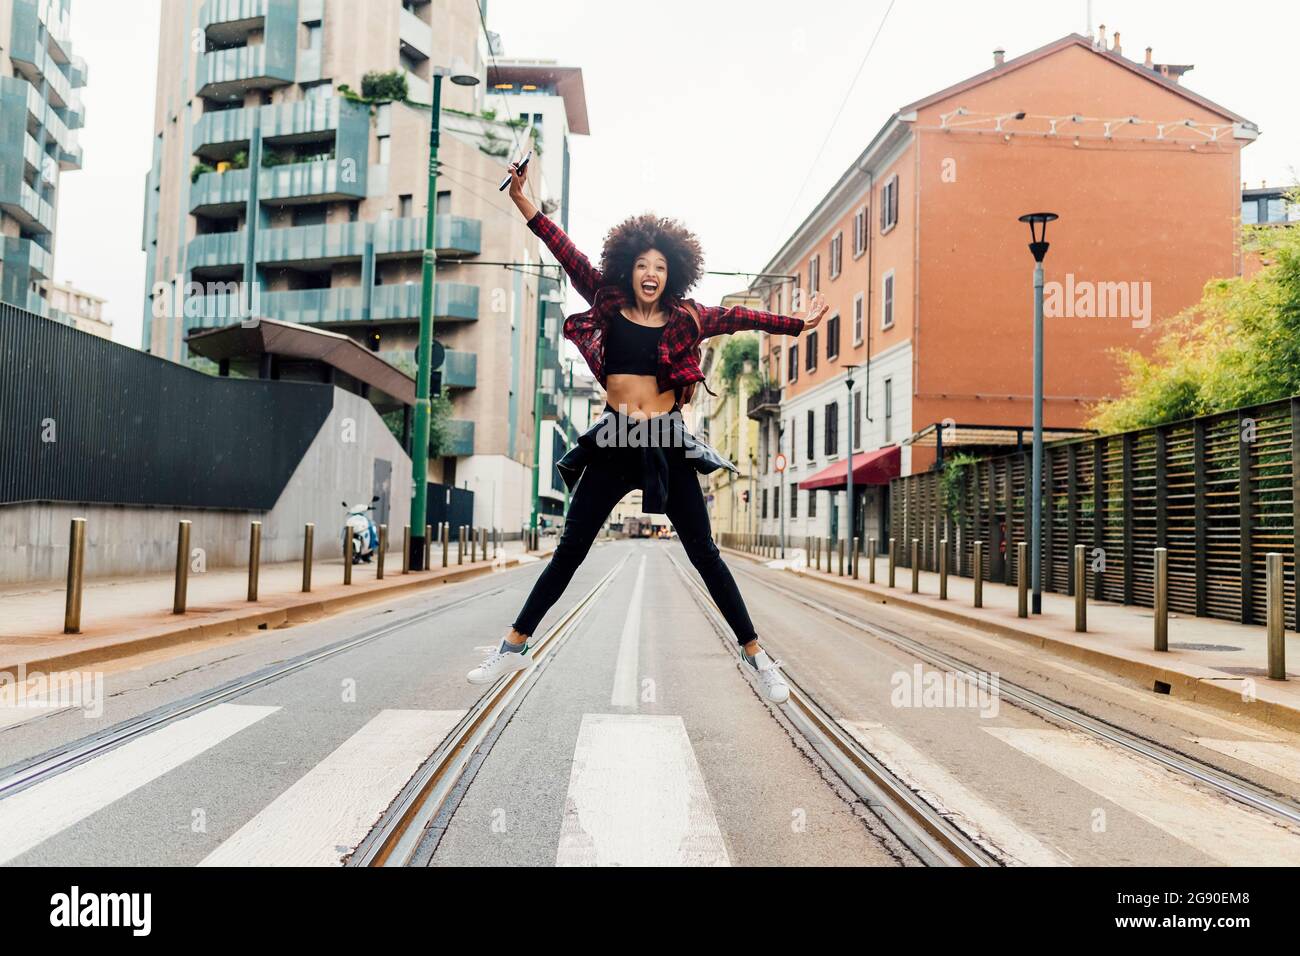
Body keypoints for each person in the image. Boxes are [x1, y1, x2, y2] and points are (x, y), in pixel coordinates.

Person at [467, 159, 826, 703]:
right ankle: (512, 649)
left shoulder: (688, 317)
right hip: (613, 441)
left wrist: (800, 324)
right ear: (628, 269)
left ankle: (758, 658)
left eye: (659, 265)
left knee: (704, 552)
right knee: (570, 550)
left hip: (665, 442)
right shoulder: (606, 302)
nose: (650, 273)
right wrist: (524, 203)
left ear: (673, 271)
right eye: (641, 265)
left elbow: (743, 320)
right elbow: (567, 254)